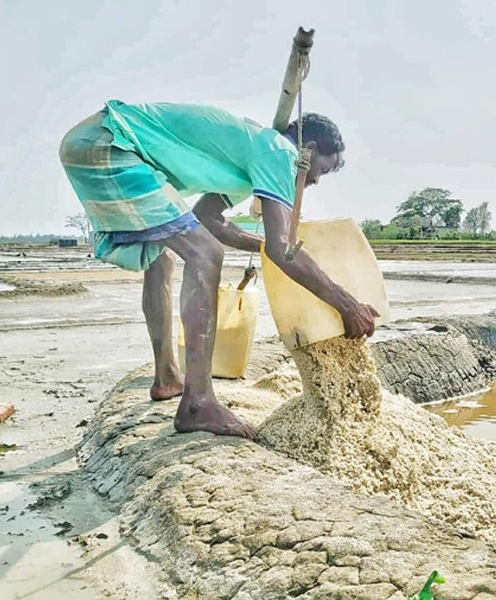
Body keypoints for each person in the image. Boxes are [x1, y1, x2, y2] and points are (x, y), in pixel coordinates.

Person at [59, 100, 379, 440]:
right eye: (321, 170)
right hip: (111, 143)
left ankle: (168, 377)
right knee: (205, 254)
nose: (315, 180)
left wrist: (264, 248)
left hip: (92, 141)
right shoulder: (281, 152)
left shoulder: (252, 153)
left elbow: (209, 220)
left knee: (161, 257)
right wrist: (347, 304)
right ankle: (197, 402)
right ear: (309, 148)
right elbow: (283, 248)